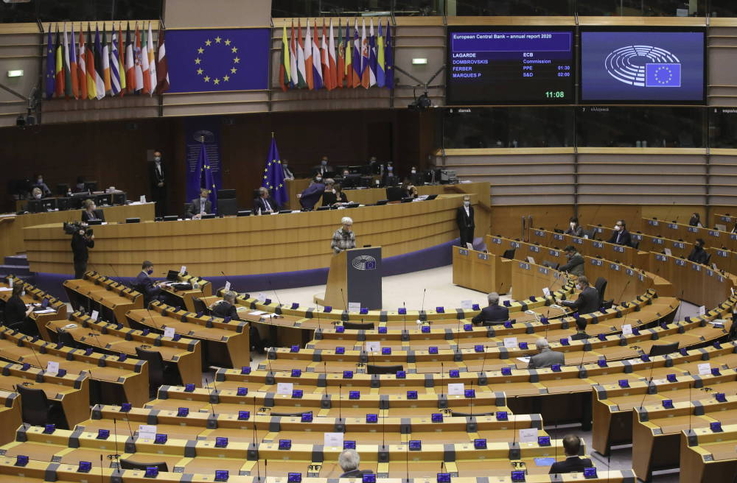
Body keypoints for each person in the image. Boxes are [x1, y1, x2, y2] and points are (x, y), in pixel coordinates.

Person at [150, 150, 167, 217]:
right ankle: (157, 217)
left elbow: (167, 175)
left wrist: (164, 182)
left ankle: (164, 216)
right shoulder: (151, 166)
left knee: (163, 203)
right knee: (156, 203)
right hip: (155, 188)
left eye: (158, 156)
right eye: (156, 156)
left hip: (163, 187)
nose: (157, 158)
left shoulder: (164, 165)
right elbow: (151, 176)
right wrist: (157, 183)